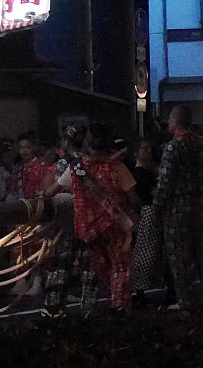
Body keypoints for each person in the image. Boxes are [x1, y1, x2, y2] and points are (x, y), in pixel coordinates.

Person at [154, 106, 203, 310]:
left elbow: (166, 181)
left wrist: (157, 205)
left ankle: (185, 298)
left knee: (178, 254)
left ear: (175, 121)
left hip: (178, 205)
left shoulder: (173, 147)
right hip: (201, 203)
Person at [69, 124, 140, 314]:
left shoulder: (76, 168)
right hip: (115, 224)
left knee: (99, 268)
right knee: (120, 266)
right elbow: (133, 198)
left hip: (88, 228)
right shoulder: (117, 167)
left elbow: (55, 189)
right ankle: (119, 307)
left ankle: (92, 308)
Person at [131, 139, 168, 299]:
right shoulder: (140, 173)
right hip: (148, 211)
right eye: (144, 149)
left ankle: (146, 286)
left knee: (154, 252)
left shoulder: (150, 170)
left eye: (149, 148)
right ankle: (138, 288)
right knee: (146, 251)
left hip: (153, 211)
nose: (148, 151)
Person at [17, 133, 57, 200]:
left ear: (34, 148)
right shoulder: (19, 167)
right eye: (21, 148)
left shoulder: (42, 165)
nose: (24, 151)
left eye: (28, 147)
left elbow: (46, 188)